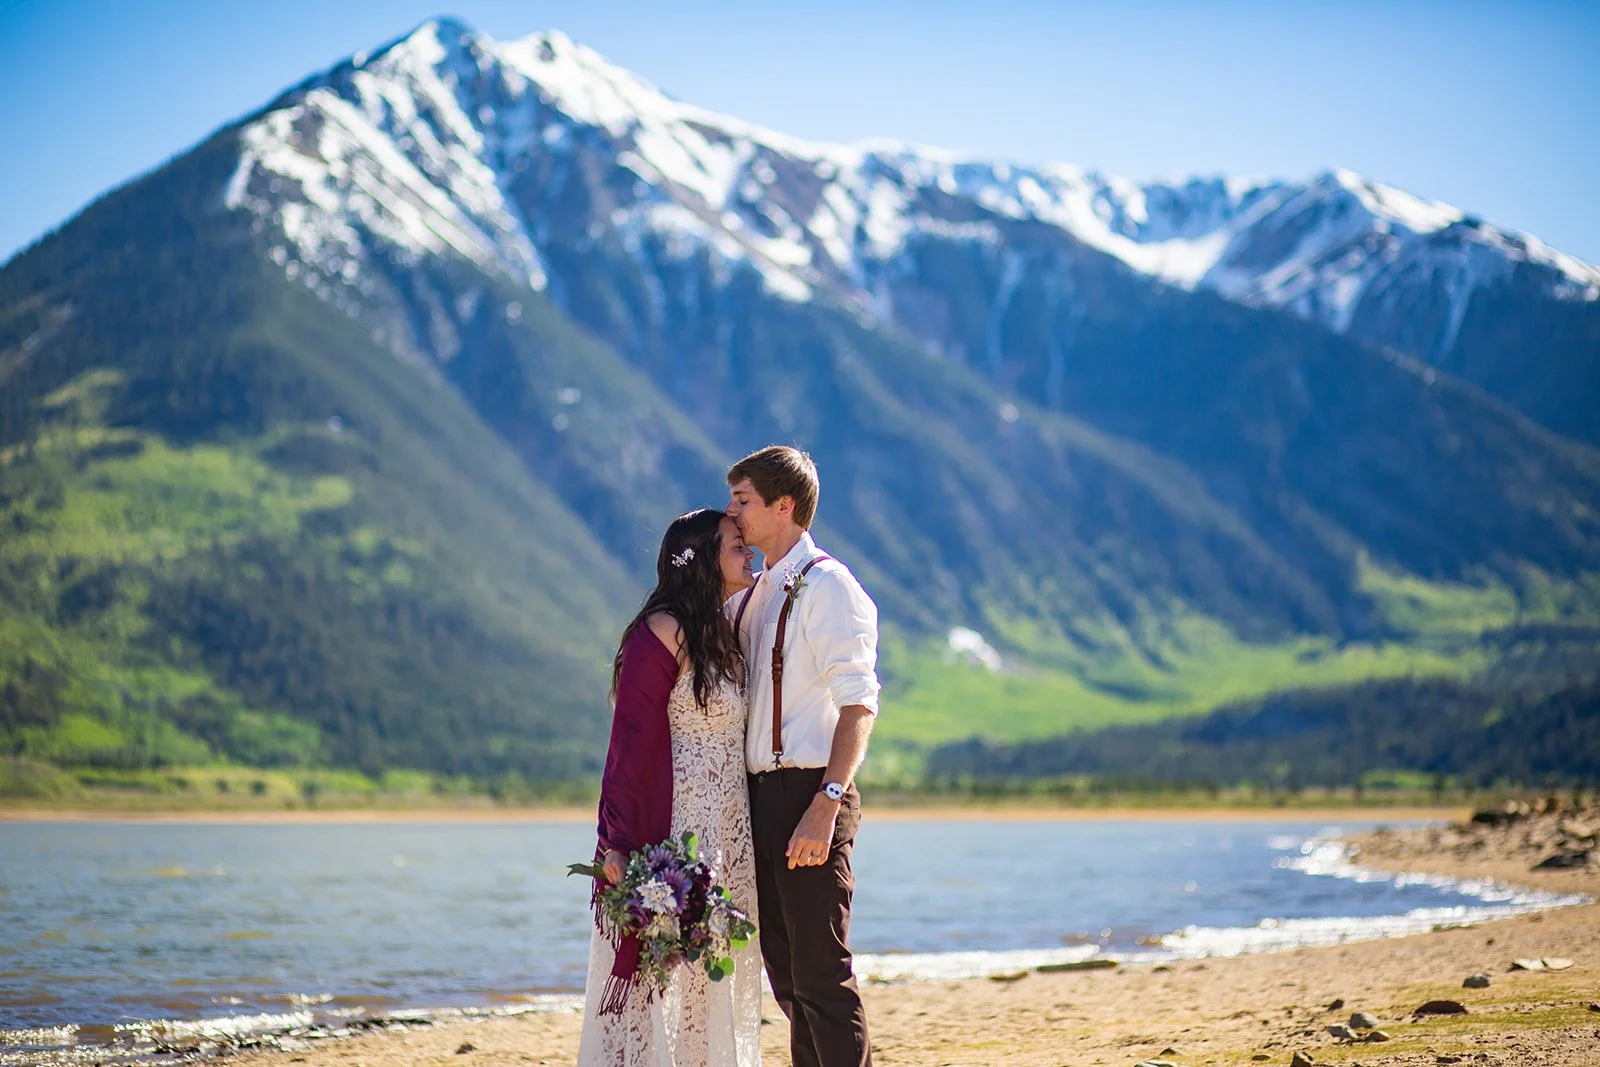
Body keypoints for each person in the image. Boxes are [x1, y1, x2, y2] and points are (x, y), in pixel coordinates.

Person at [576, 508, 762, 1066]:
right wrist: (617, 843)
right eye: (736, 545)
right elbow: (629, 745)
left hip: (728, 832)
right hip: (678, 833)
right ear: (704, 559)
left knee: (712, 978)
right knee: (666, 980)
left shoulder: (723, 633)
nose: (749, 552)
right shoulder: (659, 633)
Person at [725, 446, 880, 1067]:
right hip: (762, 800)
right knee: (788, 978)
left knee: (822, 977)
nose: (733, 513)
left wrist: (828, 801)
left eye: (743, 500)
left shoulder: (829, 585)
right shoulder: (756, 590)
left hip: (812, 792)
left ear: (782, 505)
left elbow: (859, 705)